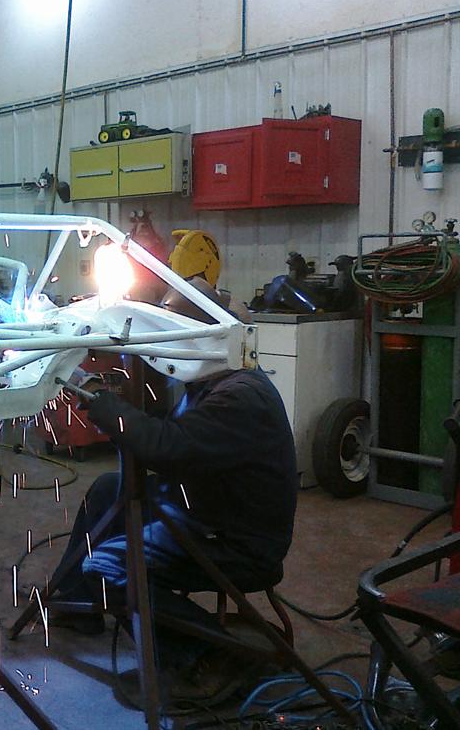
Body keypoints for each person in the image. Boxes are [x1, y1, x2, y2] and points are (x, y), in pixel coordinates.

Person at [49, 278, 298, 698]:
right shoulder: (213, 379)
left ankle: (211, 657)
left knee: (109, 568)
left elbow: (165, 449)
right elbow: (167, 435)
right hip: (209, 508)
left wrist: (98, 400)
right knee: (109, 489)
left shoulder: (239, 397)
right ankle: (75, 603)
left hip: (236, 541)